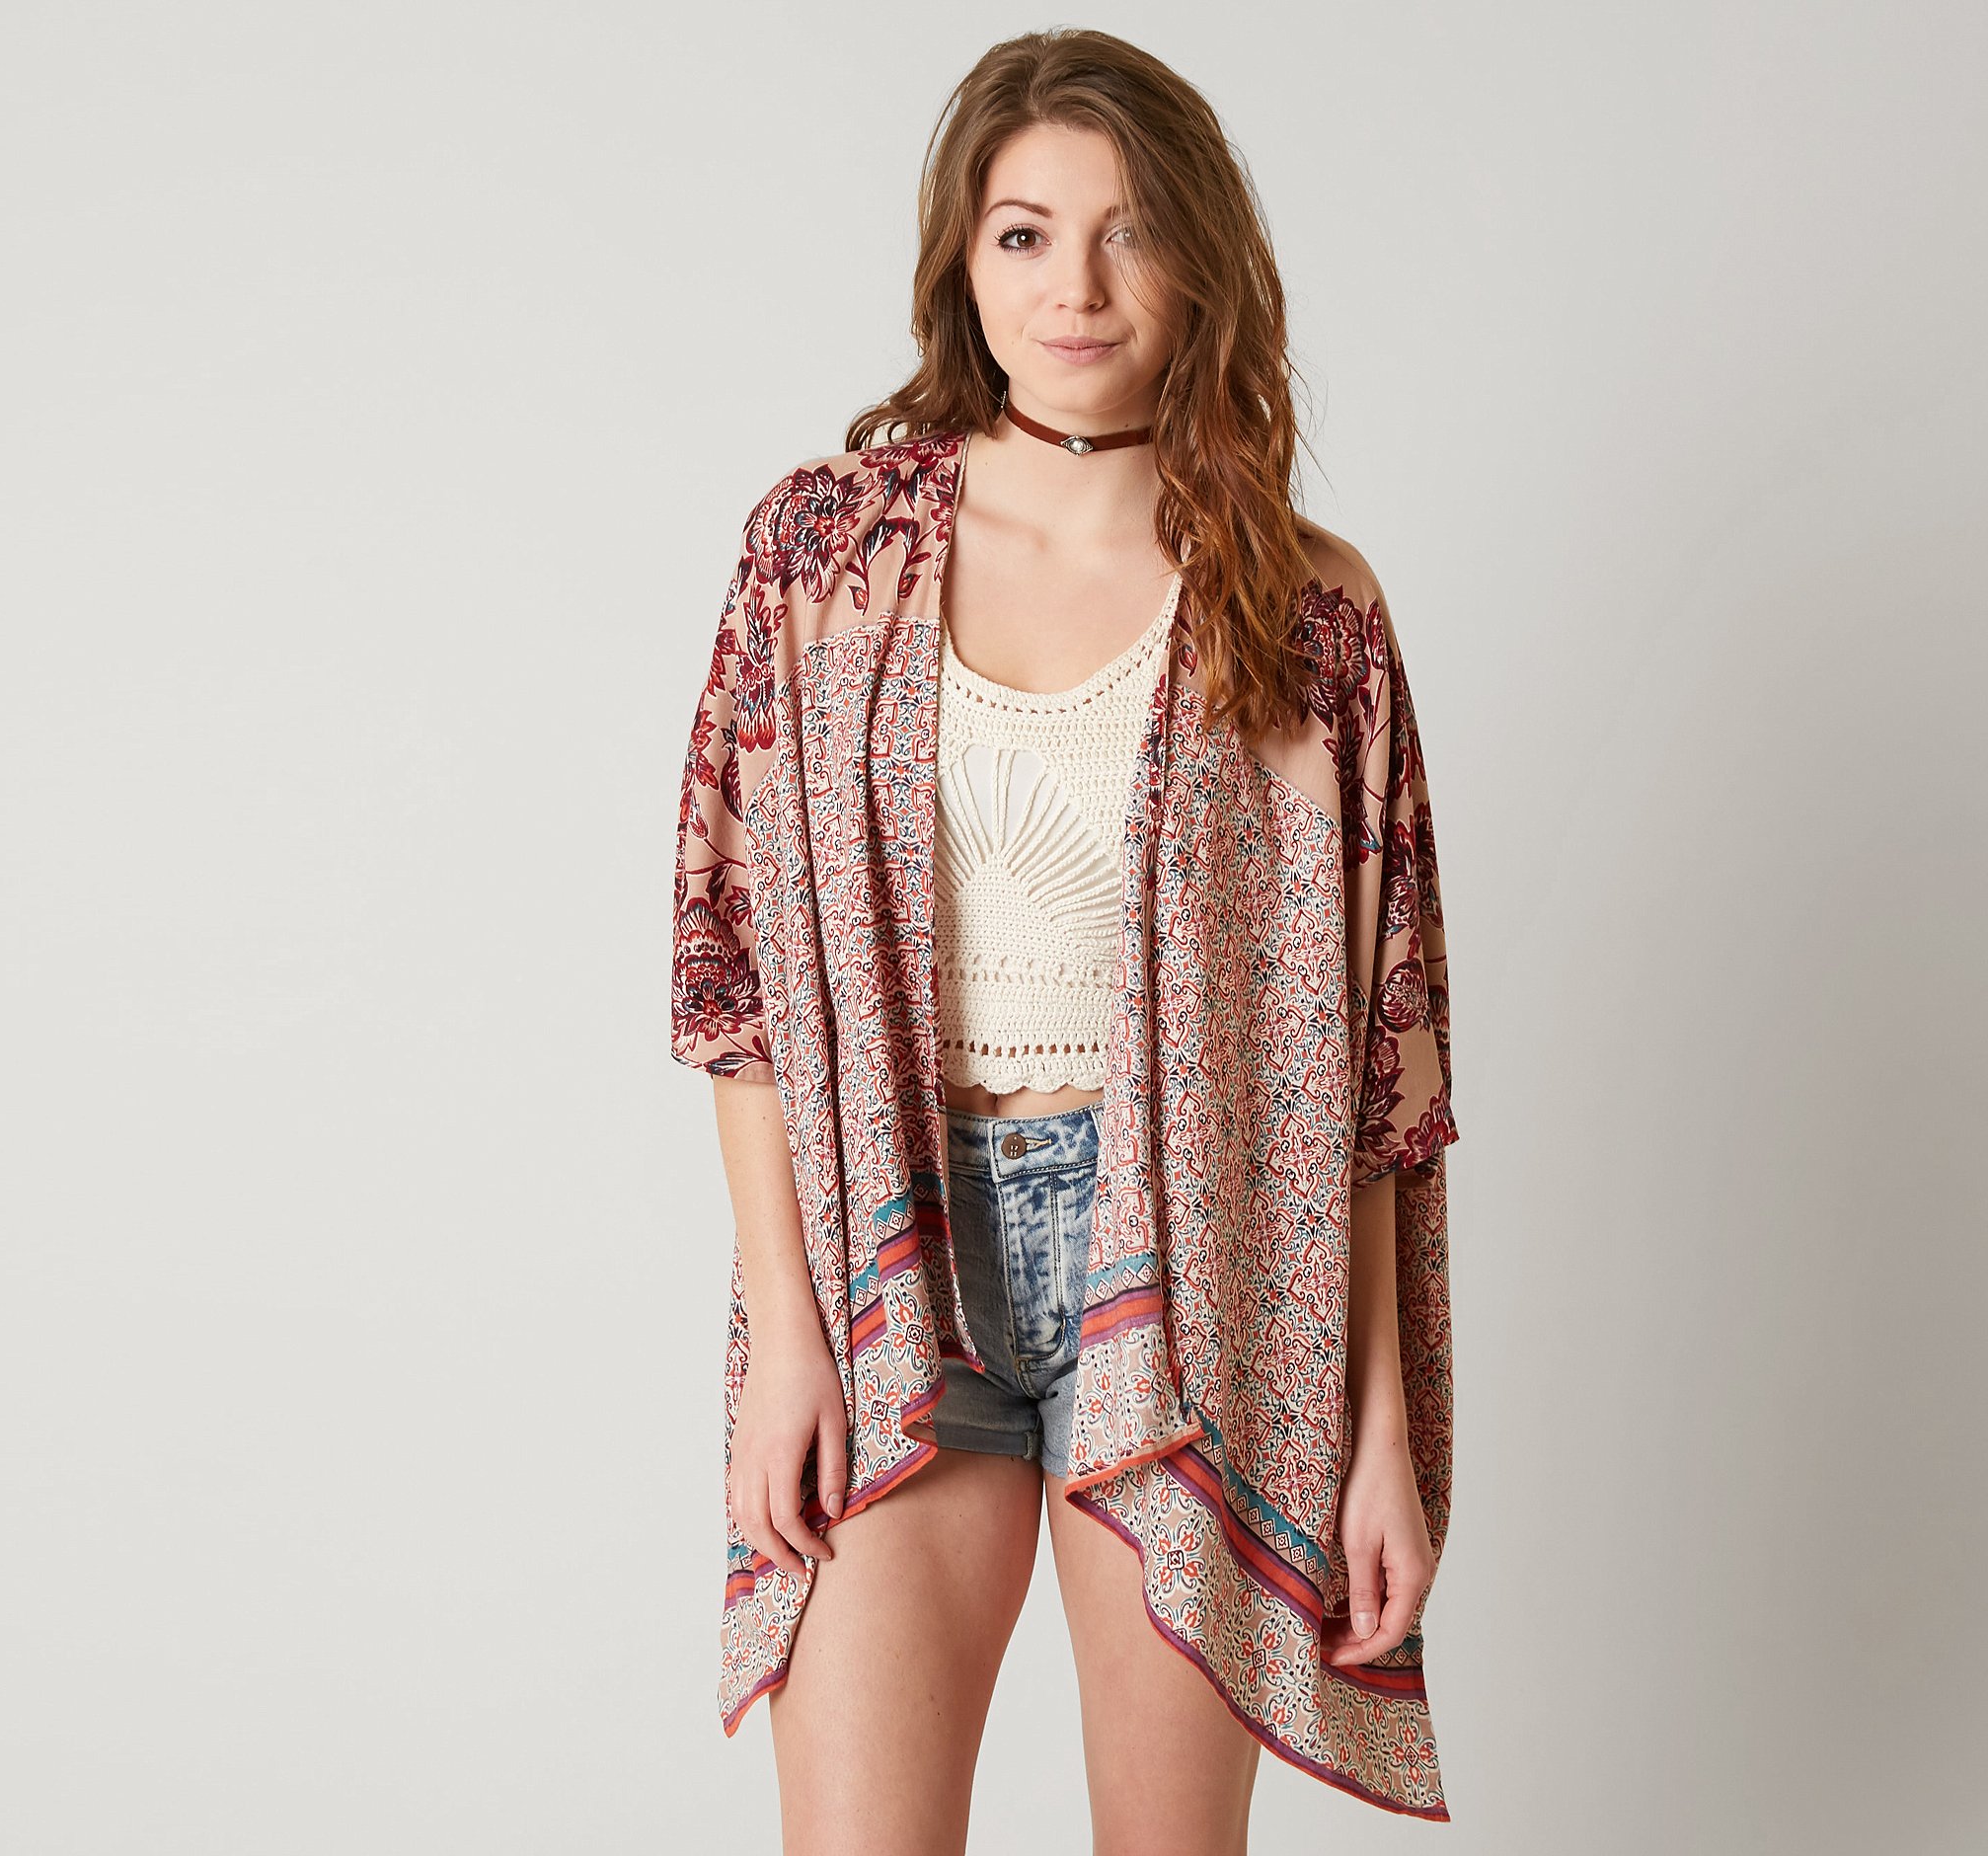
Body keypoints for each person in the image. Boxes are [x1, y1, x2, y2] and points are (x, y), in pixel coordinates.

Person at [666, 29, 1463, 1852]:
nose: (1076, 288)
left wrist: (1379, 1432)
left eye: (1127, 233)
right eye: (1025, 234)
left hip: (1201, 1270)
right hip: (897, 1260)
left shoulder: (1305, 603)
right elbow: (734, 979)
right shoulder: (825, 558)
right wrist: (785, 1331)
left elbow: (1378, 1068)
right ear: (964, 259)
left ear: (1202, 263)